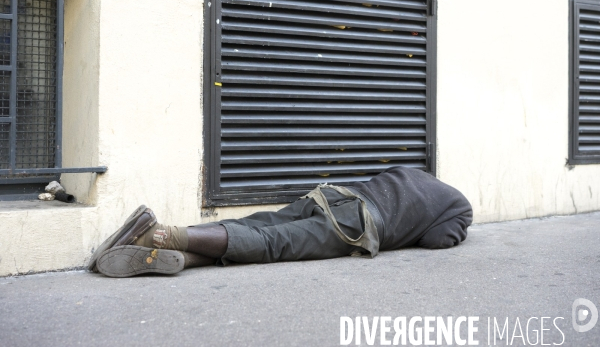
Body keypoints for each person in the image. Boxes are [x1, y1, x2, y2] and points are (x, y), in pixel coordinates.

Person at [88, 166, 473, 277]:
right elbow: (437, 241)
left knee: (259, 224)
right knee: (274, 245)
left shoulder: (418, 175)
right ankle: (161, 235)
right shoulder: (459, 206)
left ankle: (185, 257)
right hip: (356, 224)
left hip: (333, 195)